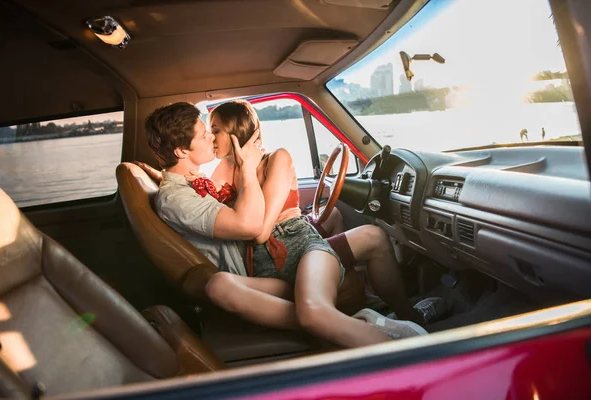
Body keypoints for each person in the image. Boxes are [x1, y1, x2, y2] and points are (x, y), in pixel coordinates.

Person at [143, 101, 446, 347]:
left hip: (301, 246)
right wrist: (167, 178)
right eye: (207, 132)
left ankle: (407, 326)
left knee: (369, 239)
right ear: (182, 151)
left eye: (215, 131)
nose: (211, 137)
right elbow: (255, 230)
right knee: (219, 286)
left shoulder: (273, 159)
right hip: (261, 260)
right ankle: (365, 322)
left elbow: (234, 214)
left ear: (235, 133)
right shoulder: (210, 178)